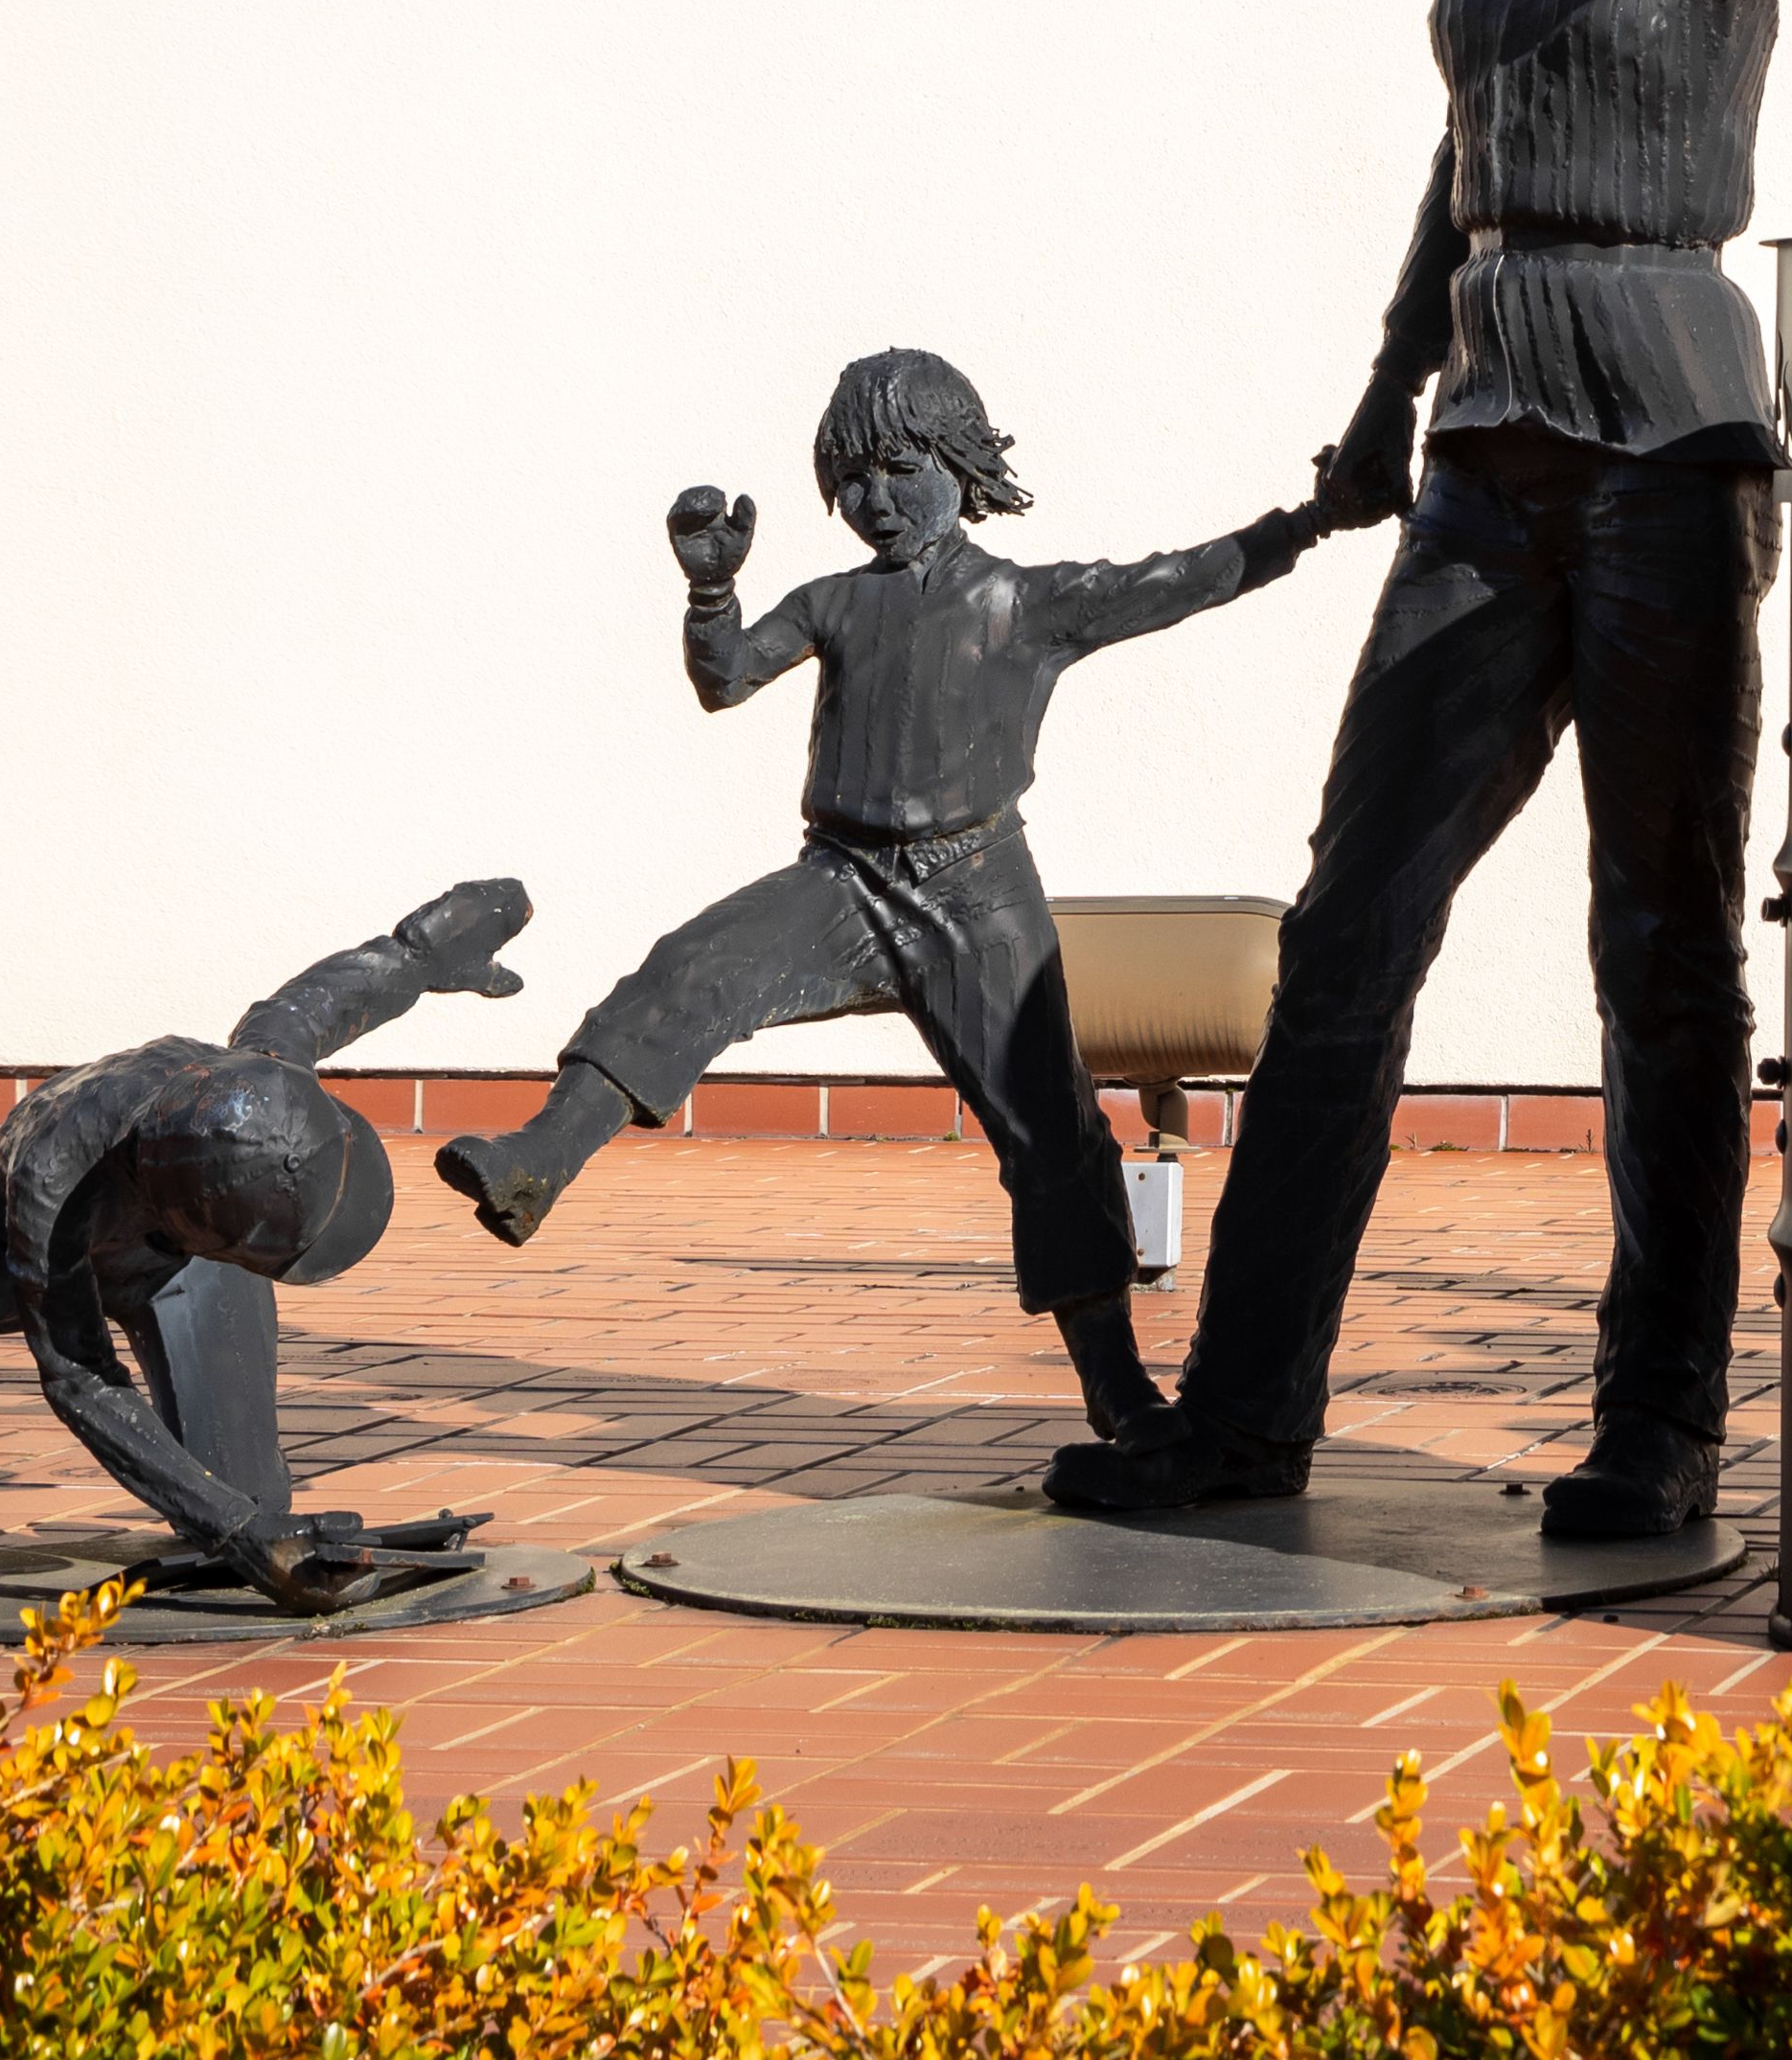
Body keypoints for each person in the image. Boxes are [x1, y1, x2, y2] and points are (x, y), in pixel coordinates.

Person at [1054, 0, 1792, 1541]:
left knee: (1658, 947)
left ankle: (1661, 1425)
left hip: (1664, 440)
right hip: (1485, 439)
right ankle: (1243, 1413)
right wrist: (1368, 418)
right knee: (1345, 934)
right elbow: (1461, 176)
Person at [431, 349, 1320, 1438]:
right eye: (850, 480)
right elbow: (724, 681)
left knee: (1049, 1132)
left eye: (900, 466)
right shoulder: (834, 601)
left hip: (976, 894)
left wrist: (1307, 522)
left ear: (959, 459)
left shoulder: (1024, 601)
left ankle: (1118, 1384)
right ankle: (536, 1159)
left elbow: (1176, 580)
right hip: (841, 881)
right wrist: (711, 589)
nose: (874, 500)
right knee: (689, 967)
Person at [0, 879, 529, 1610]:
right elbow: (78, 1377)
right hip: (30, 1259)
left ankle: (239, 1509)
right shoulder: (53, 1180)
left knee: (246, 1499)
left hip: (187, 1262)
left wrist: (418, 952)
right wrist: (238, 1536)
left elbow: (312, 999)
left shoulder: (264, 1078)